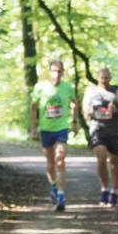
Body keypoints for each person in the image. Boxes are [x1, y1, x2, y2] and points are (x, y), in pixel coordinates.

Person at [29, 59, 78, 211]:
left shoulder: (67, 88)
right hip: (46, 129)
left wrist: (74, 122)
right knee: (50, 163)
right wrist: (33, 127)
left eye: (59, 71)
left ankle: (62, 195)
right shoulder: (40, 87)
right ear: (49, 72)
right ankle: (53, 186)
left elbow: (75, 103)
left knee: (60, 160)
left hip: (61, 128)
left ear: (62, 72)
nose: (56, 74)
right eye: (54, 71)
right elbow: (33, 106)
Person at [82, 66, 118, 206]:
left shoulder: (116, 92)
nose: (104, 80)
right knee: (101, 158)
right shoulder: (91, 92)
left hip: (113, 131)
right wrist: (90, 112)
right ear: (97, 78)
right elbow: (86, 112)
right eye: (102, 77)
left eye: (107, 77)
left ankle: (114, 191)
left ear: (110, 78)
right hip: (97, 130)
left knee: (114, 163)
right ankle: (104, 189)